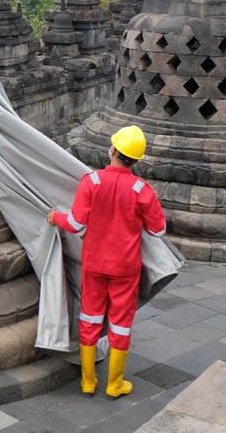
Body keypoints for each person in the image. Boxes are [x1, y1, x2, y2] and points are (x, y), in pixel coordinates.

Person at [46, 125, 165, 399]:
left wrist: (55, 217)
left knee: (89, 317)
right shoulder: (142, 190)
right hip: (126, 267)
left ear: (112, 150)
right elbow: (158, 230)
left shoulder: (92, 181)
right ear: (135, 160)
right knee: (121, 323)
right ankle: (114, 384)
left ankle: (88, 382)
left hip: (94, 264)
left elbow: (76, 224)